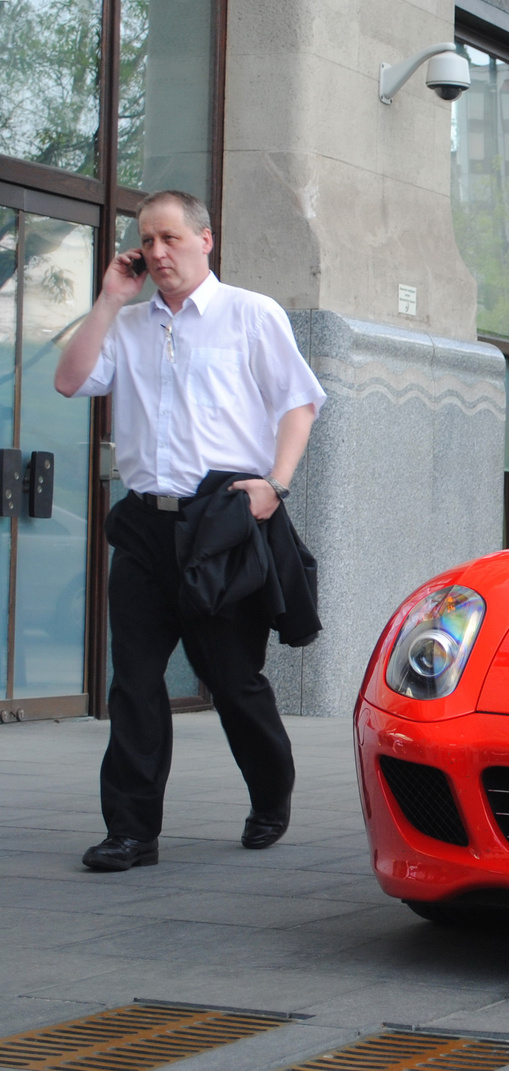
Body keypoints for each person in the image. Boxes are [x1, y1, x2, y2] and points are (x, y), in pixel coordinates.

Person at [54, 190, 326, 870]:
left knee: (233, 679)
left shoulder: (250, 315)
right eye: (147, 240)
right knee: (134, 681)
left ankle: (271, 792)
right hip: (146, 525)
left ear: (207, 239)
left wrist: (276, 484)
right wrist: (111, 300)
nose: (157, 252)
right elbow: (68, 379)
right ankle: (132, 830)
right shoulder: (131, 323)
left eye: (170, 237)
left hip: (222, 521)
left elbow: (300, 403)